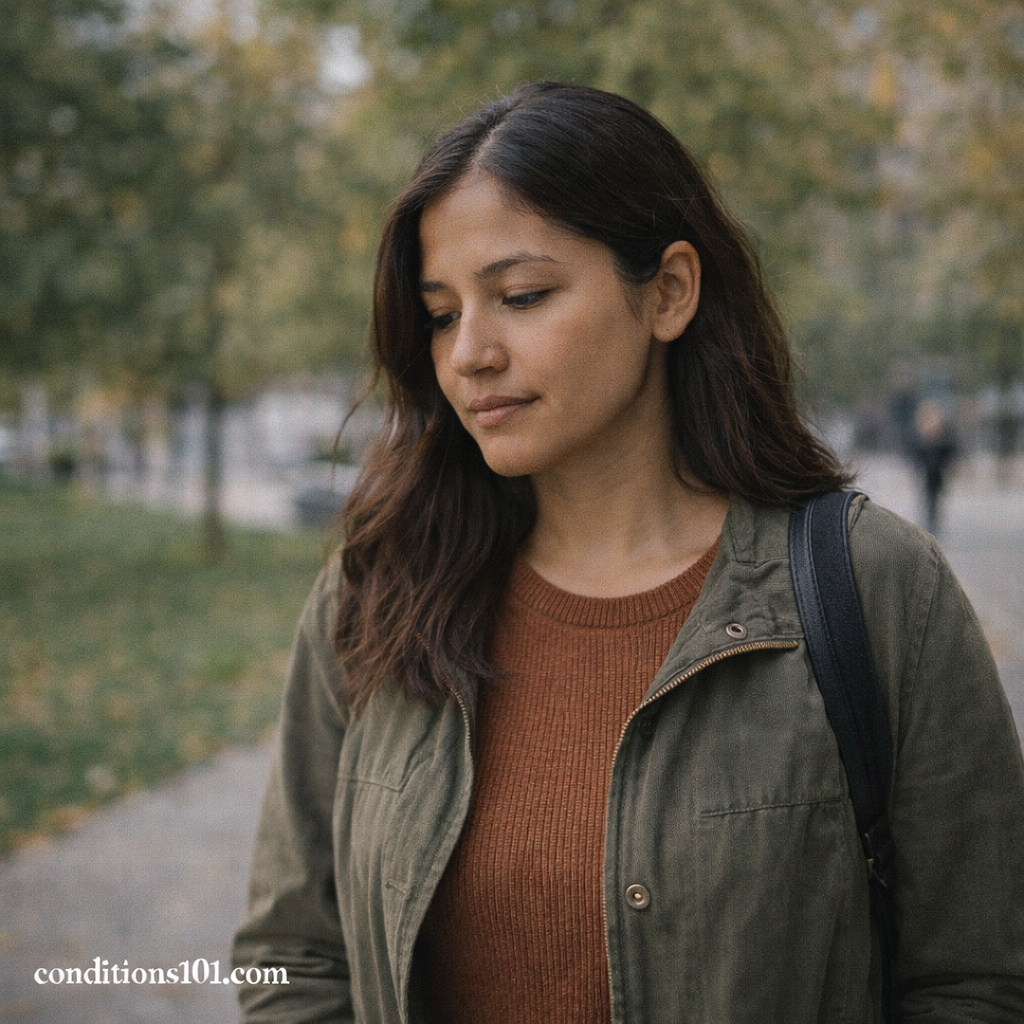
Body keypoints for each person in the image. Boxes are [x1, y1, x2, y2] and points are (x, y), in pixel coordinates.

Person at [232, 82, 1024, 1023]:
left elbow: (979, 981)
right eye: (442, 314)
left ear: (670, 291)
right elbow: (290, 957)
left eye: (521, 296)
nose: (470, 353)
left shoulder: (876, 588)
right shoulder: (376, 593)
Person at [908, 398, 957, 535]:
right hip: (927, 472)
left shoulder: (942, 436)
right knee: (928, 497)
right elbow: (915, 453)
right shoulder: (921, 435)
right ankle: (930, 521)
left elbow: (949, 452)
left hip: (936, 472)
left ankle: (933, 522)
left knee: (934, 498)